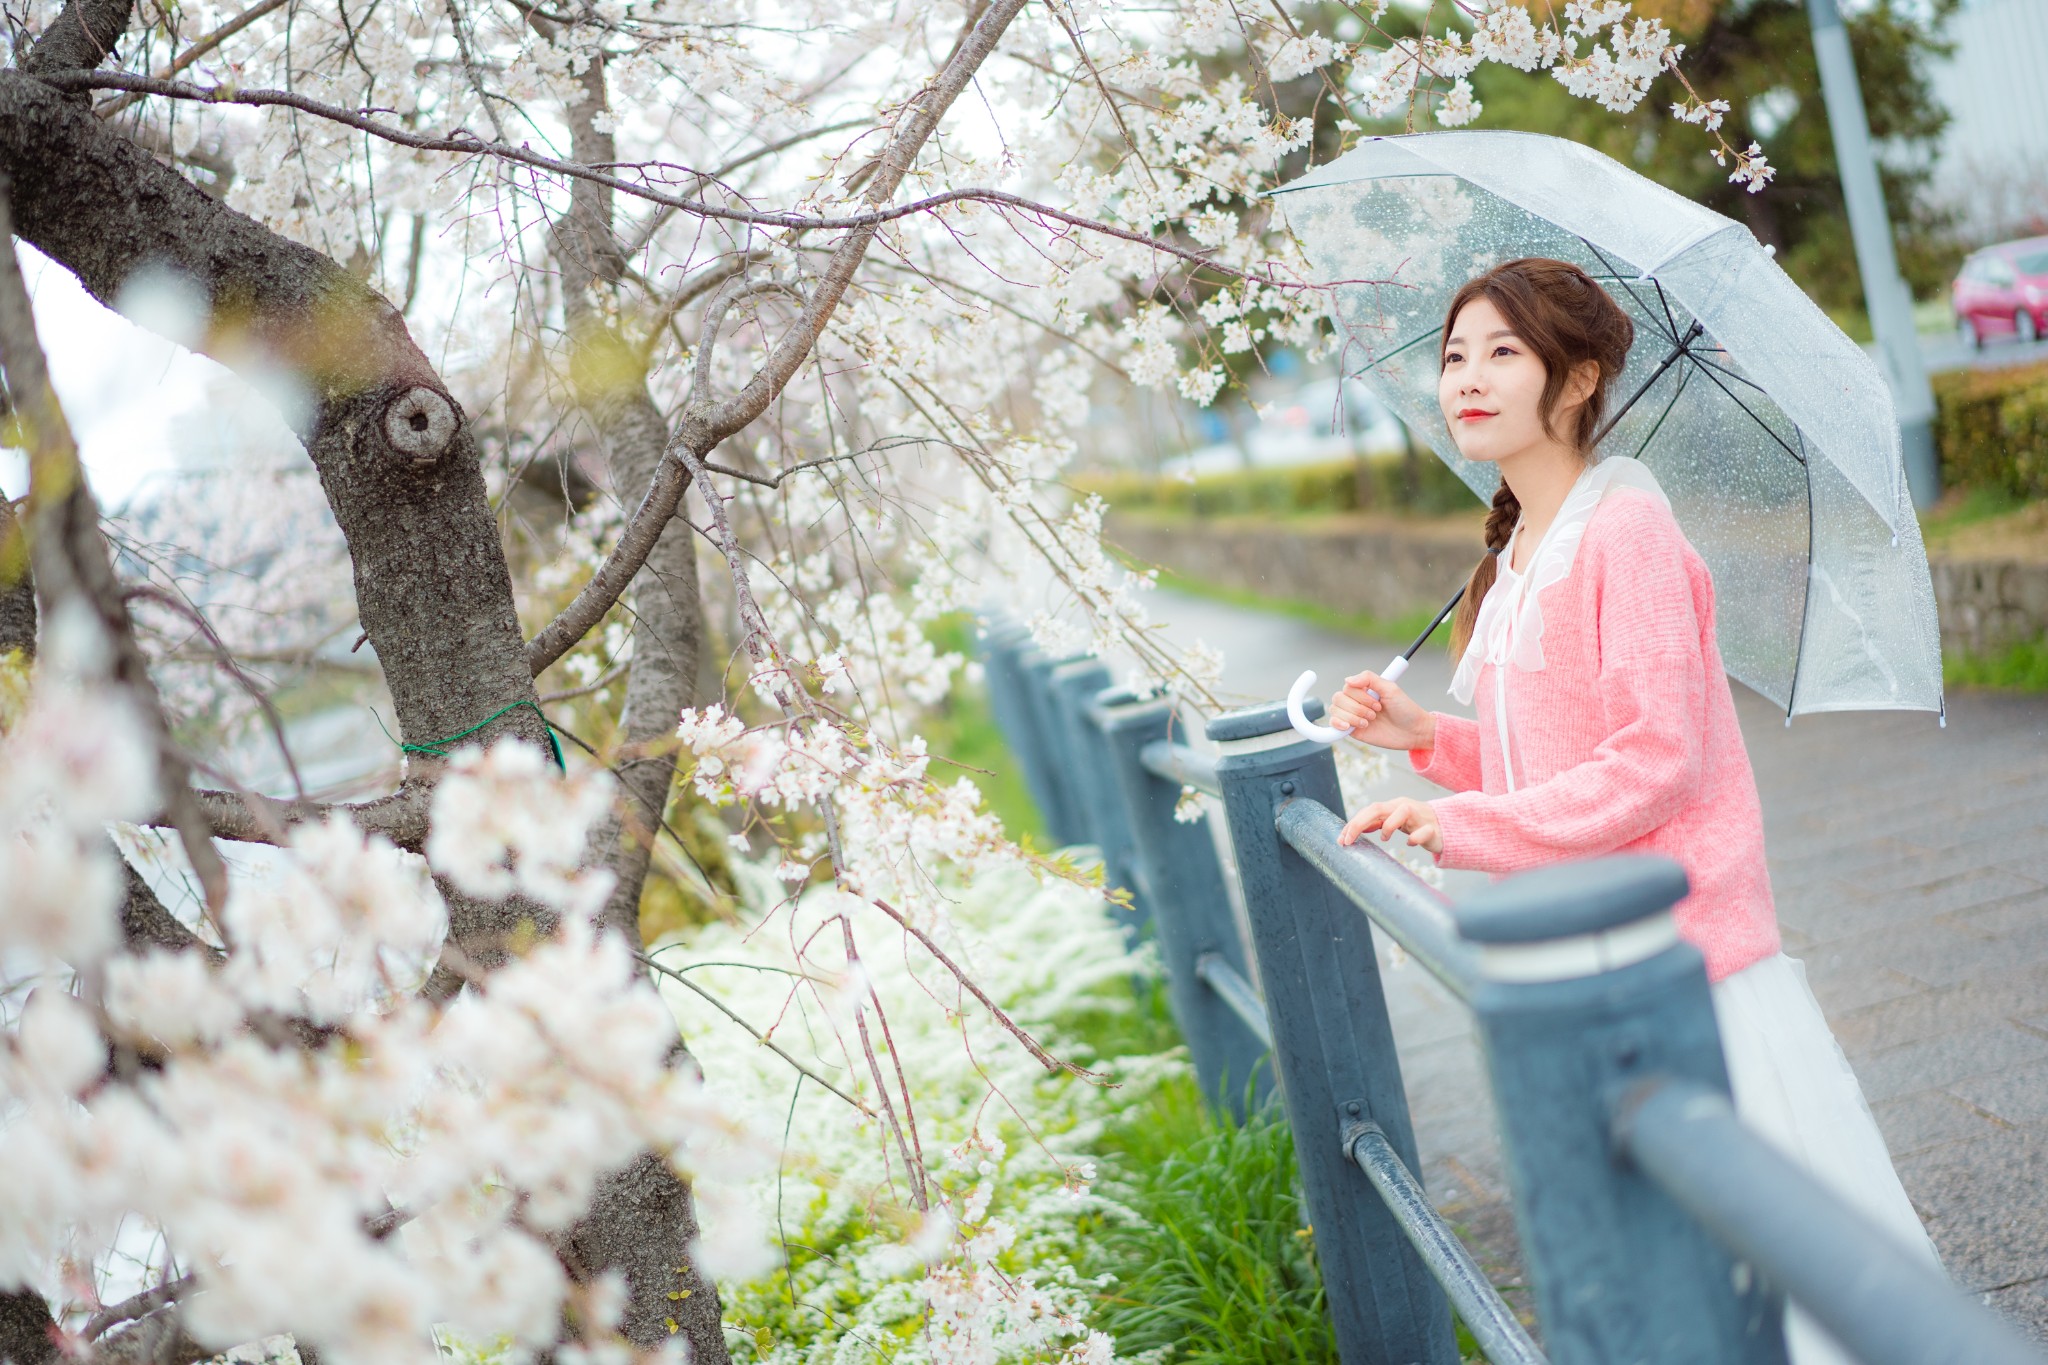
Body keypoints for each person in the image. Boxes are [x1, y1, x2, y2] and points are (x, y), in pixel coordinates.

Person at [1326, 257, 1940, 1364]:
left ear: (1576, 381)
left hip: (1685, 964)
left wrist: (1460, 830)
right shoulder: (1521, 552)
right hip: (1587, 964)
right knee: (1664, 1288)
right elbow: (1550, 760)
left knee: (1770, 1293)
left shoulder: (1627, 535)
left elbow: (1653, 763)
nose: (1464, 378)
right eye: (1453, 355)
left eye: (1501, 352)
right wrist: (1425, 742)